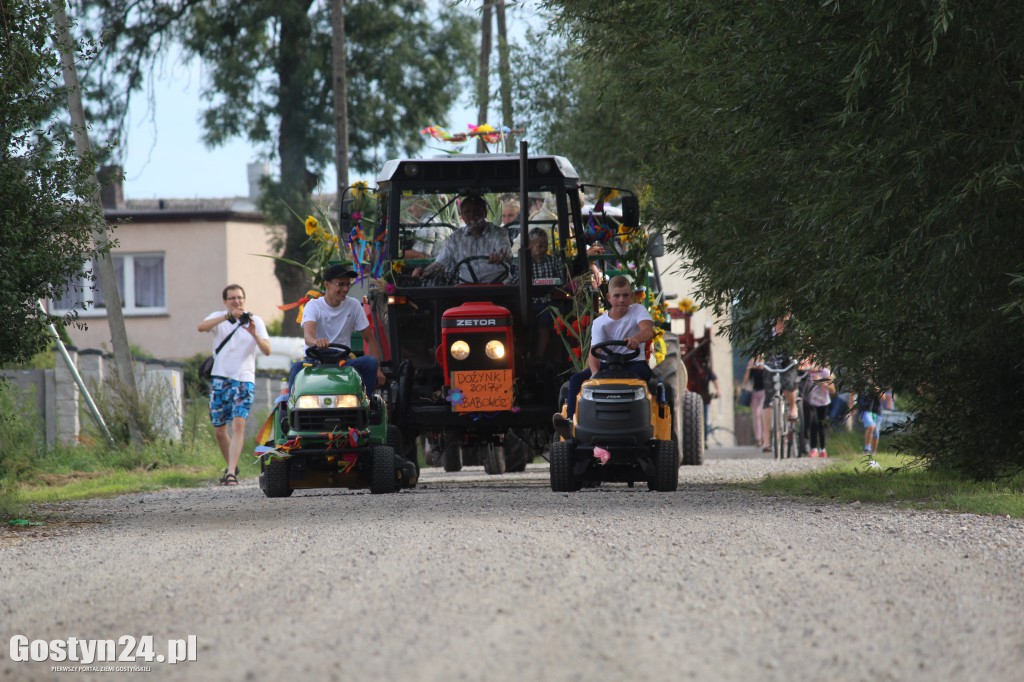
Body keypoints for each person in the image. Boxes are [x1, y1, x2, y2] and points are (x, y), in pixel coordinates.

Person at [553, 275, 654, 437]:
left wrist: (637, 339)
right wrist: (594, 375)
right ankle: (571, 423)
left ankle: (643, 422)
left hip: (634, 363)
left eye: (626, 295)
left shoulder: (637, 311)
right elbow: (594, 353)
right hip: (608, 366)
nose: (622, 300)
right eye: (617, 296)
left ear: (632, 296)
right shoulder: (600, 322)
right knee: (576, 380)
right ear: (608, 298)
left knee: (639, 379)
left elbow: (648, 330)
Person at [197, 284, 271, 486]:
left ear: (244, 299)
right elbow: (201, 327)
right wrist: (226, 317)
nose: (237, 301)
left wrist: (254, 333)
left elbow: (267, 350)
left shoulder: (255, 320)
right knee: (220, 430)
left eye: (240, 297)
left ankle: (231, 472)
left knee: (239, 423)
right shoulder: (220, 317)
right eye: (232, 298)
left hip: (244, 378)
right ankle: (232, 464)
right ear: (225, 302)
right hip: (220, 378)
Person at [287, 264, 387, 398]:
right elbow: (308, 337)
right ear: (327, 285)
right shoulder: (313, 305)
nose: (345, 289)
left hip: (343, 361)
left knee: (370, 363)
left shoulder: (354, 305)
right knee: (297, 368)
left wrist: (378, 370)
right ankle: (292, 410)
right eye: (340, 284)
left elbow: (369, 339)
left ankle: (366, 405)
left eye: (347, 284)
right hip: (315, 361)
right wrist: (317, 342)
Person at [414, 194, 512, 283]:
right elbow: (440, 264)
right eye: (467, 212)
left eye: (477, 211)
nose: (472, 215)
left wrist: (499, 256)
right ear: (462, 216)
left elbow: (505, 253)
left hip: (497, 287)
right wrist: (423, 272)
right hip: (466, 290)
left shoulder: (499, 233)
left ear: (485, 213)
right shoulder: (455, 238)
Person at [802, 362, 834, 458]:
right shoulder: (808, 372)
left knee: (821, 425)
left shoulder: (826, 372)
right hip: (811, 401)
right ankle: (813, 448)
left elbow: (833, 390)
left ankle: (823, 449)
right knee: (813, 423)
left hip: (823, 403)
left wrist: (820, 381)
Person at [858, 387, 894, 454]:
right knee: (871, 426)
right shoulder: (861, 383)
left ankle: (873, 452)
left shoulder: (878, 384)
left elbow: (883, 398)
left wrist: (878, 391)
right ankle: (867, 448)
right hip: (865, 410)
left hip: (877, 411)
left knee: (876, 433)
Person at [742, 358, 767, 449]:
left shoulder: (767, 365)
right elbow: (745, 381)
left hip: (765, 393)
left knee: (760, 413)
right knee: (755, 415)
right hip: (755, 393)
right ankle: (758, 438)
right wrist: (749, 368)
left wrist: (762, 366)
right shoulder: (753, 368)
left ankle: (765, 437)